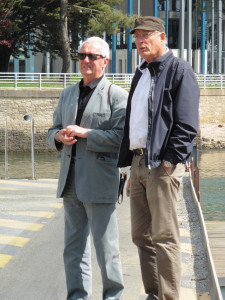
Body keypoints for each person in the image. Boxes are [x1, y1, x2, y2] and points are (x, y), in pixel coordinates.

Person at [118, 16, 200, 300]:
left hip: (162, 166)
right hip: (140, 163)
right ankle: (153, 294)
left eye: (146, 36)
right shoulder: (141, 72)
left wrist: (168, 162)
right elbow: (136, 123)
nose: (140, 41)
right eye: (137, 36)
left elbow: (187, 126)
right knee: (141, 236)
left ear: (162, 37)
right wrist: (131, 166)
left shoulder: (179, 71)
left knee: (165, 237)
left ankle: (169, 296)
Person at [48, 36, 128, 300]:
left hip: (100, 182)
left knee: (107, 250)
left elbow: (120, 139)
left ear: (105, 61)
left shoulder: (117, 96)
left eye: (92, 56)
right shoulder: (67, 93)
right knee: (73, 250)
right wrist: (58, 137)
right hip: (69, 183)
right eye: (82, 55)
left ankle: (113, 297)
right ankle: (77, 296)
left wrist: (86, 133)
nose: (86, 61)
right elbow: (52, 130)